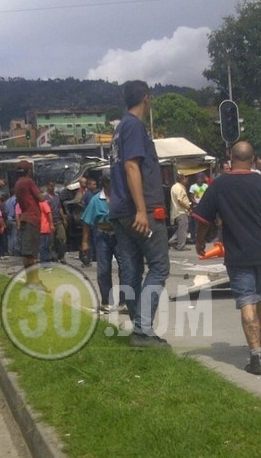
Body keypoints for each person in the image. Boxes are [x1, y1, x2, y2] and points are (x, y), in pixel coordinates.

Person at [192, 141, 261, 375]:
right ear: (253, 159)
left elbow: (203, 218)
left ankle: (256, 356)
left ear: (231, 158)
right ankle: (258, 337)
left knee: (247, 301)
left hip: (238, 253)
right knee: (260, 296)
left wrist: (200, 241)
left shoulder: (220, 184)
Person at [109, 80, 171, 348]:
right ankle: (143, 330)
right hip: (140, 209)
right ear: (146, 98)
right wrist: (142, 210)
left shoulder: (119, 128)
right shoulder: (134, 126)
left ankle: (138, 328)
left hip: (120, 210)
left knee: (132, 269)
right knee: (159, 266)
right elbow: (132, 167)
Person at [80, 171, 125, 313]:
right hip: (102, 237)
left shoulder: (120, 198)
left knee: (125, 268)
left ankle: (125, 301)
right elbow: (87, 222)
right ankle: (107, 301)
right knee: (104, 270)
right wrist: (85, 242)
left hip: (119, 236)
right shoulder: (96, 200)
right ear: (105, 183)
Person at [13, 160, 45, 287]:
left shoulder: (18, 183)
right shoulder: (28, 181)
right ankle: (35, 280)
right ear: (28, 171)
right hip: (32, 218)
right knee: (33, 253)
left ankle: (29, 280)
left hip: (25, 217)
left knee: (26, 252)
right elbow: (40, 197)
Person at [43, 180, 68, 263]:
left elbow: (59, 207)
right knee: (51, 242)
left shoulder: (57, 196)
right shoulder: (44, 197)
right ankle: (53, 257)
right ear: (47, 186)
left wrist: (64, 219)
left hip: (58, 220)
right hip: (49, 222)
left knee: (62, 238)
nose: (52, 187)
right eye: (50, 186)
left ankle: (61, 255)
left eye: (53, 186)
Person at [167, 172, 191, 251]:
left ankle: (172, 240)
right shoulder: (179, 188)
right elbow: (180, 200)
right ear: (182, 179)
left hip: (177, 211)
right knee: (183, 229)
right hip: (181, 211)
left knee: (181, 228)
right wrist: (188, 208)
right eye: (185, 179)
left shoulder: (174, 187)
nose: (187, 180)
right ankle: (181, 245)